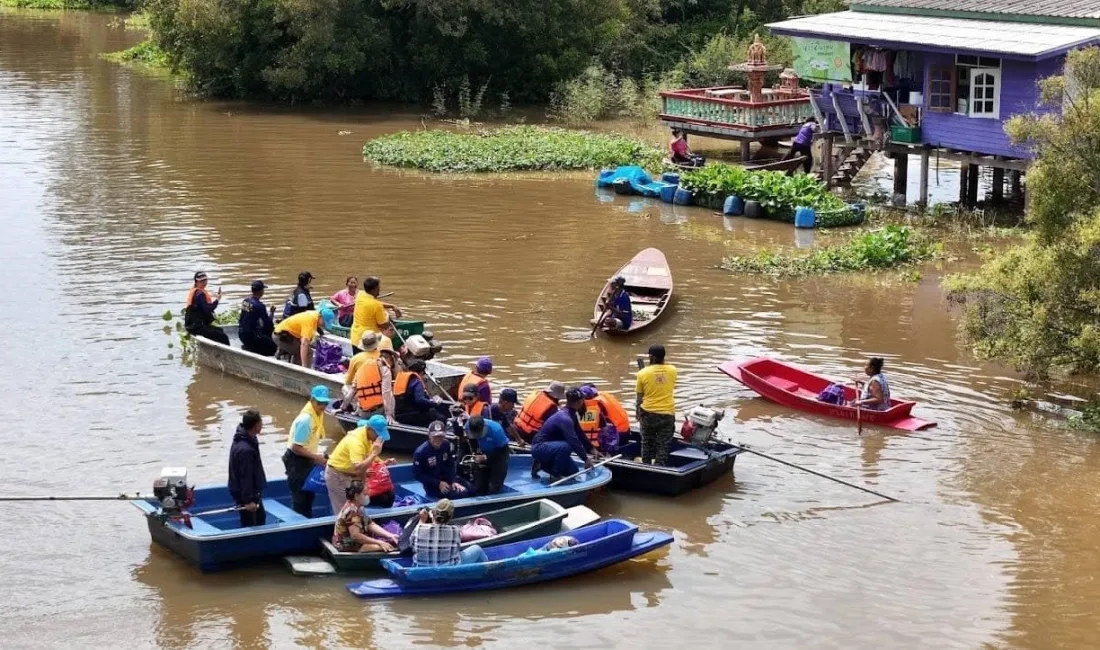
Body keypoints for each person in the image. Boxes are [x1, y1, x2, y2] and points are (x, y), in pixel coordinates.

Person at [325, 414, 392, 513]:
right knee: (344, 512)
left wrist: (382, 462)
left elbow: (367, 454)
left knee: (356, 508)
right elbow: (358, 468)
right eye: (377, 434)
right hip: (337, 476)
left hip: (351, 475)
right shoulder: (356, 442)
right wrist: (374, 453)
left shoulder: (367, 436)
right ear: (369, 429)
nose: (379, 437)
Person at [283, 385, 331, 517]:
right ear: (312, 400)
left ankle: (307, 518)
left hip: (307, 459)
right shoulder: (306, 420)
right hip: (296, 461)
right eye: (319, 403)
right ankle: (299, 524)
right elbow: (296, 447)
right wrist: (316, 458)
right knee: (300, 498)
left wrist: (318, 457)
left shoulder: (318, 414)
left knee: (309, 494)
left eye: (325, 403)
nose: (322, 406)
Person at [530, 388, 594, 480]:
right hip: (540, 448)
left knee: (573, 472)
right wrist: (586, 459)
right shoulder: (565, 418)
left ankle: (543, 464)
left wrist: (592, 448)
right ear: (580, 402)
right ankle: (555, 474)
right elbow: (573, 441)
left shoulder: (571, 415)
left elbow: (580, 434)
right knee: (567, 445)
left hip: (550, 447)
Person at [411, 499, 487, 566]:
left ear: (433, 512)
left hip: (422, 571)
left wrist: (422, 521)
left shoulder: (419, 528)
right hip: (449, 570)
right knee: (477, 549)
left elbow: (412, 544)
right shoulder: (455, 530)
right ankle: (486, 573)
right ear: (450, 516)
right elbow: (457, 549)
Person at [636, 344, 677, 466]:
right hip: (667, 414)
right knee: (663, 443)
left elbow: (639, 397)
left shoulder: (643, 373)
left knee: (646, 442)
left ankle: (646, 466)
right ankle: (660, 466)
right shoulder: (673, 370)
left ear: (651, 357)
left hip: (647, 413)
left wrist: (638, 413)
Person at [332, 480, 400, 553]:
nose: (368, 495)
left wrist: (390, 535)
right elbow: (355, 536)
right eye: (365, 493)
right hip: (347, 544)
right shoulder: (352, 511)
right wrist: (379, 542)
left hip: (356, 540)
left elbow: (370, 524)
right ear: (356, 496)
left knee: (390, 541)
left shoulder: (359, 507)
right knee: (388, 547)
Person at [228, 409, 267, 527]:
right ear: (256, 426)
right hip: (246, 494)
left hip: (249, 491)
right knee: (250, 522)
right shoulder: (246, 450)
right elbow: (246, 476)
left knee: (261, 517)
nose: (262, 425)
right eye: (261, 423)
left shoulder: (247, 438)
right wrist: (248, 501)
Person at [412, 421, 471, 499]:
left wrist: (454, 481)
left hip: (447, 479)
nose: (438, 439)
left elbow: (450, 464)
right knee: (462, 493)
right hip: (432, 485)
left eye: (441, 436)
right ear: (429, 436)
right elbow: (417, 475)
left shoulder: (446, 445)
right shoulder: (421, 452)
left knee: (472, 489)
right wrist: (438, 483)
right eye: (435, 436)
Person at [349, 276, 402, 353]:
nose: (380, 289)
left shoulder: (360, 294)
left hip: (355, 336)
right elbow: (384, 325)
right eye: (379, 287)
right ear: (375, 289)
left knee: (358, 359)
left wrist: (391, 306)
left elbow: (374, 302)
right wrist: (387, 314)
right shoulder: (376, 305)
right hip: (369, 341)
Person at [394, 359, 450, 426]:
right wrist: (435, 403)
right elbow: (420, 400)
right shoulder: (416, 382)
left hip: (399, 415)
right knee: (441, 417)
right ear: (421, 372)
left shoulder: (401, 379)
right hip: (412, 415)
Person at [355, 337, 399, 421]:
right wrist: (389, 414)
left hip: (363, 412)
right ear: (390, 359)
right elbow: (386, 393)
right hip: (379, 411)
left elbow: (353, 390)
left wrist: (343, 408)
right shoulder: (385, 369)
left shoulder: (363, 366)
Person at [467, 415, 510, 495]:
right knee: (480, 485)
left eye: (479, 434)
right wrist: (476, 453)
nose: (477, 436)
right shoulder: (467, 427)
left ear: (484, 427)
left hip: (499, 453)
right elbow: (472, 442)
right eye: (474, 434)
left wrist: (486, 458)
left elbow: (502, 452)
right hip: (482, 452)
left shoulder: (496, 430)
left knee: (494, 486)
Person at [184, 271, 229, 344]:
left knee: (220, 330)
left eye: (205, 280)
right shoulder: (199, 294)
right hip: (196, 327)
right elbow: (208, 309)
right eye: (202, 281)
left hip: (195, 324)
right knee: (223, 336)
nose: (204, 282)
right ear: (196, 282)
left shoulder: (197, 291)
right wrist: (217, 300)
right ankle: (227, 354)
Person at [238, 280, 276, 356]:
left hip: (241, 334)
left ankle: (249, 347)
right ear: (261, 291)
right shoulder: (259, 306)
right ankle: (254, 350)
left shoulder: (245, 301)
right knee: (273, 347)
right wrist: (272, 313)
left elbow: (243, 317)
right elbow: (267, 324)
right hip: (251, 337)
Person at [342, 332, 379, 411]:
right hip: (380, 393)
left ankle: (355, 408)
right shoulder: (383, 356)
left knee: (345, 387)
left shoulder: (356, 359)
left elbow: (348, 381)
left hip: (363, 393)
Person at [577, 384, 614, 454]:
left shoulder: (575, 410)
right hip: (594, 446)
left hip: (578, 445)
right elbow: (604, 428)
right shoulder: (597, 410)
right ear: (592, 396)